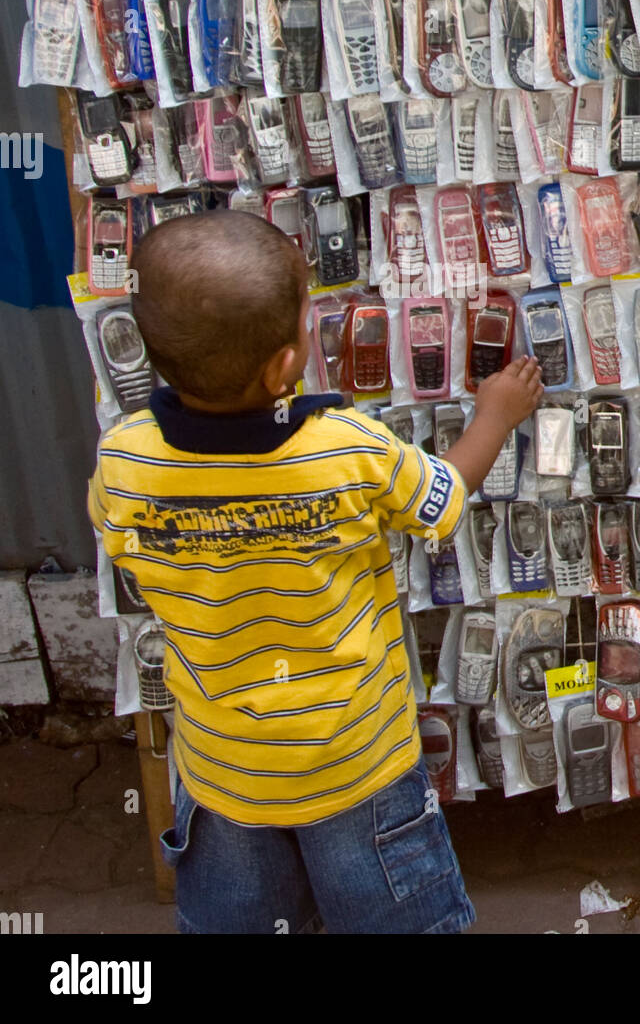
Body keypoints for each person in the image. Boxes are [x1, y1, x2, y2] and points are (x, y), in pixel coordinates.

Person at [88, 211, 543, 935]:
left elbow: (121, 542)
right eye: (306, 318)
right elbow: (443, 502)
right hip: (356, 762)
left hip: (222, 771)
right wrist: (495, 415)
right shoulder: (346, 447)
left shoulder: (125, 460)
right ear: (283, 366)